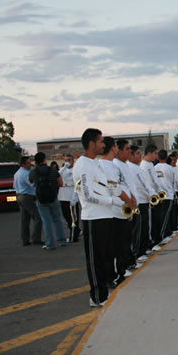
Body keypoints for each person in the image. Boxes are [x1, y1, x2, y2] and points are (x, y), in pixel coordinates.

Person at [73, 128, 132, 307]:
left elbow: (108, 186)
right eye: (100, 141)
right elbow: (87, 195)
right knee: (95, 259)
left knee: (106, 256)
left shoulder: (96, 163)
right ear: (91, 144)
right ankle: (97, 296)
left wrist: (122, 199)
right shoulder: (83, 164)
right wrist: (112, 201)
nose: (103, 144)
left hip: (105, 216)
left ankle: (103, 293)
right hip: (93, 218)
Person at [100, 138, 135, 282]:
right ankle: (115, 275)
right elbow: (115, 189)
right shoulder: (104, 165)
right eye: (115, 146)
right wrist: (129, 201)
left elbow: (123, 184)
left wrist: (132, 197)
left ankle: (122, 269)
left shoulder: (113, 165)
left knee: (123, 243)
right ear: (113, 148)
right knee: (116, 246)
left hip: (122, 210)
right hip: (114, 210)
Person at [29, 152, 66, 250]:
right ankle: (62, 240)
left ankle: (50, 243)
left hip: (41, 200)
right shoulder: (53, 170)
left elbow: (30, 181)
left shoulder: (33, 172)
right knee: (57, 220)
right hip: (53, 197)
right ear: (45, 160)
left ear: (35, 162)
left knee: (46, 221)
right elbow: (60, 183)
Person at [13, 156, 42, 245]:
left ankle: (25, 240)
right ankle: (36, 238)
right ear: (23, 164)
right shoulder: (26, 174)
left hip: (20, 196)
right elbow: (32, 184)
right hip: (27, 196)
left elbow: (14, 186)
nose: (30, 164)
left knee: (25, 219)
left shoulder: (17, 173)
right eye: (28, 163)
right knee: (38, 217)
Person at [58, 155, 80, 243]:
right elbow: (57, 175)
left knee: (73, 218)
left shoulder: (75, 170)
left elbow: (77, 185)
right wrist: (64, 168)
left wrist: (75, 197)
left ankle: (74, 236)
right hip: (63, 195)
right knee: (66, 216)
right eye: (65, 160)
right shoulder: (62, 170)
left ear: (73, 161)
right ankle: (76, 231)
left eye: (69, 160)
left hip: (71, 195)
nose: (67, 162)